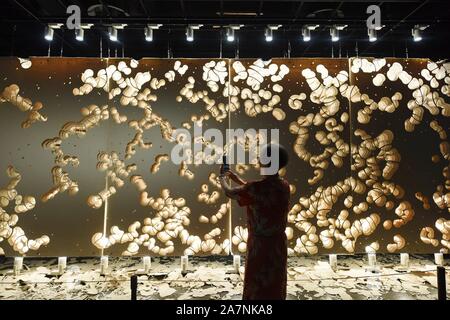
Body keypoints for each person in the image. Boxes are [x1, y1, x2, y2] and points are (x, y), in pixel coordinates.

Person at [219, 143, 290, 300]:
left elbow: (229, 192)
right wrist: (236, 178)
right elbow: (258, 193)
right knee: (275, 284)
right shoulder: (284, 186)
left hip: (259, 245)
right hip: (278, 244)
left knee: (257, 285)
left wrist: (223, 178)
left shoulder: (256, 188)